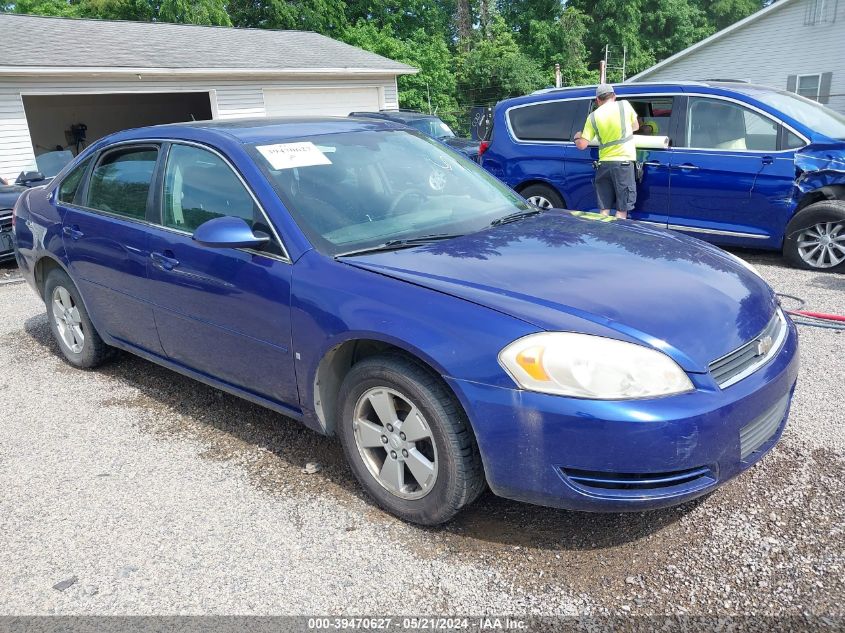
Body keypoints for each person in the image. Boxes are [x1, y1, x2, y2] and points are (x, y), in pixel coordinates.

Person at [574, 84, 639, 219]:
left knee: (604, 209)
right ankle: (617, 238)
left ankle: (604, 236)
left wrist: (576, 137)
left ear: (597, 100)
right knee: (622, 209)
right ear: (614, 96)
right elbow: (636, 126)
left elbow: (582, 145)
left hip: (603, 165)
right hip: (623, 164)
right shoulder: (624, 106)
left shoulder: (593, 117)